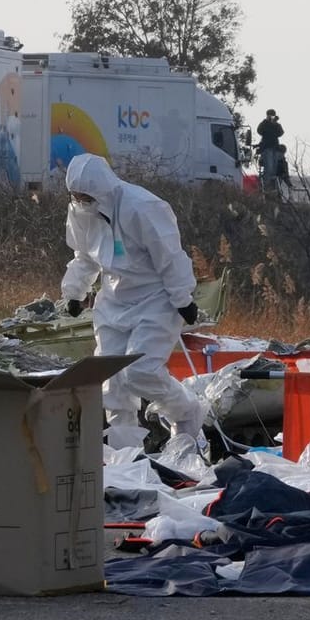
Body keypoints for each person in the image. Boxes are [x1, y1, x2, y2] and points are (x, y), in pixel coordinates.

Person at [59, 154, 207, 449]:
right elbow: (85, 256)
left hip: (155, 299)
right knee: (111, 381)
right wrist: (74, 293)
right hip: (113, 300)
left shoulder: (142, 207)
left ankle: (187, 413)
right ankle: (124, 454)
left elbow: (169, 256)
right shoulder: (80, 212)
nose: (80, 201)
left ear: (100, 190)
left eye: (85, 196)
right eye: (75, 196)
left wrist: (182, 298)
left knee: (140, 372)